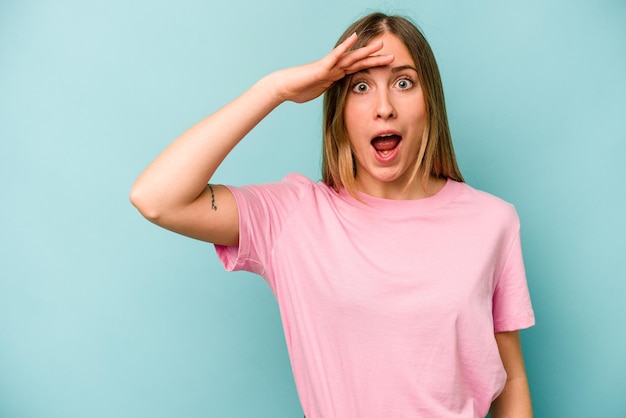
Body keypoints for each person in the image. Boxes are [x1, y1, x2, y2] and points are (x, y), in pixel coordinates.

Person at [130, 12, 535, 418]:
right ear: (339, 111)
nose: (384, 107)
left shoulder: (492, 222)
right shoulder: (294, 217)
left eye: (403, 82)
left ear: (430, 101)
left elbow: (511, 379)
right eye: (361, 86)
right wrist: (275, 89)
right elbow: (157, 198)